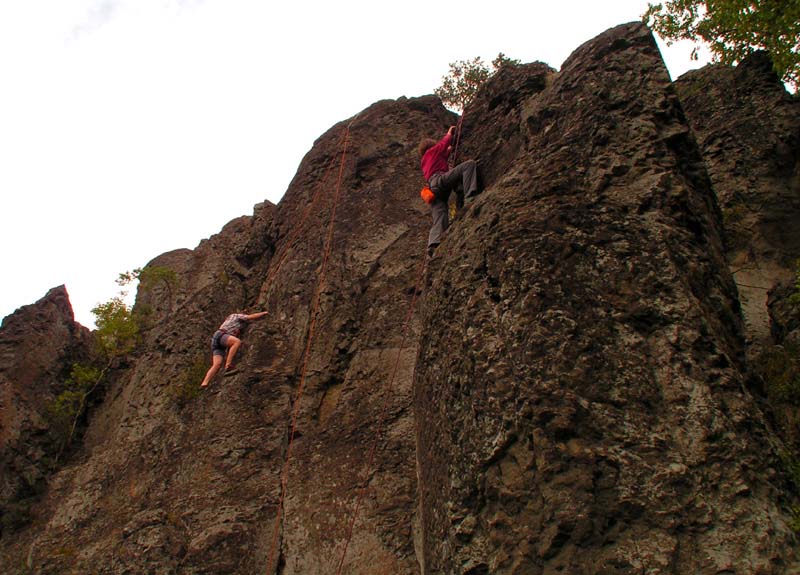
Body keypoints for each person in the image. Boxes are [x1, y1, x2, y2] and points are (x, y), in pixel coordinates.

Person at [418, 125, 480, 257]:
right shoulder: (432, 152)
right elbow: (443, 145)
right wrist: (449, 134)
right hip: (440, 180)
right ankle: (469, 196)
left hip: (433, 190)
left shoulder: (426, 161)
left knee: (439, 214)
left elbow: (444, 153)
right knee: (469, 165)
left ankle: (433, 244)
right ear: (431, 146)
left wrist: (449, 151)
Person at [199, 310, 269, 387]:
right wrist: (263, 313)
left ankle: (205, 382)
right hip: (221, 335)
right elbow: (250, 317)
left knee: (217, 364)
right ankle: (228, 364)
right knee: (236, 342)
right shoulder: (236, 316)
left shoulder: (231, 319)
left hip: (217, 340)